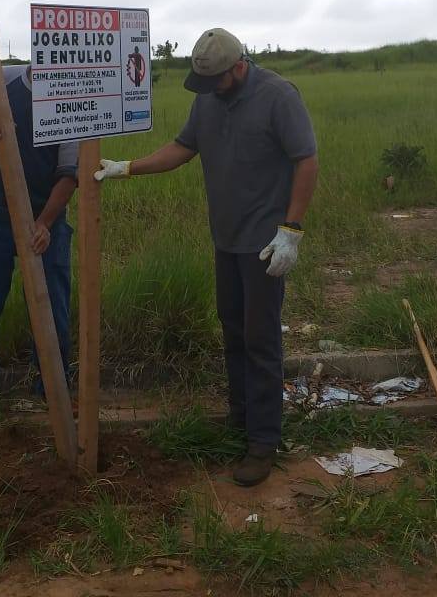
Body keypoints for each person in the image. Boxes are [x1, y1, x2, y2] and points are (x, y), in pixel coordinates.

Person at [96, 28, 318, 486]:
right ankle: (240, 418)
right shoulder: (209, 100)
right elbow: (183, 148)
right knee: (233, 330)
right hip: (226, 239)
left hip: (264, 243)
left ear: (238, 68)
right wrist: (128, 168)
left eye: (216, 80)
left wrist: (291, 229)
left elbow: (306, 160)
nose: (210, 90)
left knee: (261, 339)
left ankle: (263, 441)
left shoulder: (278, 96)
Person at [0, 63, 79, 433]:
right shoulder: (1, 81)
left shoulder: (74, 92)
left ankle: (54, 389)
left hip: (45, 221)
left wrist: (45, 223)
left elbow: (69, 172)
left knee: (53, 308)